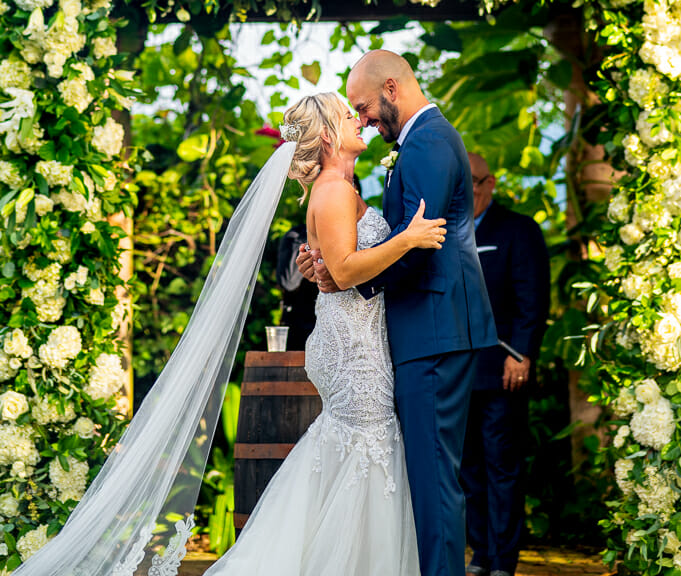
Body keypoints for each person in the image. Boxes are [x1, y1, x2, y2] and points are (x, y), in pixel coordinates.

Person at [15, 92, 444, 576]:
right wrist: (408, 238)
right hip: (353, 349)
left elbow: (335, 265)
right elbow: (345, 271)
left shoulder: (339, 191)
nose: (358, 121)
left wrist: (321, 264)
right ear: (327, 134)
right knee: (368, 449)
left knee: (351, 451)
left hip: (353, 337)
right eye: (348, 116)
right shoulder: (333, 191)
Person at [299, 51, 497, 576]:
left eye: (362, 106)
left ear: (391, 88)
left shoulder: (428, 142)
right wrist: (333, 271)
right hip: (420, 332)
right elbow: (396, 243)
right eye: (352, 113)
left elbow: (419, 244)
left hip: (432, 331)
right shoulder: (414, 143)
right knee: (427, 480)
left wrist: (342, 277)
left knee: (434, 485)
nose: (360, 117)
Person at [462, 152, 550, 576]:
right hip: (460, 372)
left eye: (475, 183)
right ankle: (480, 554)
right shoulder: (449, 230)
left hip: (502, 370)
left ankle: (504, 561)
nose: (469, 191)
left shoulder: (518, 229)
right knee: (470, 469)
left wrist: (520, 353)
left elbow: (532, 298)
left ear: (490, 183)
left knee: (502, 466)